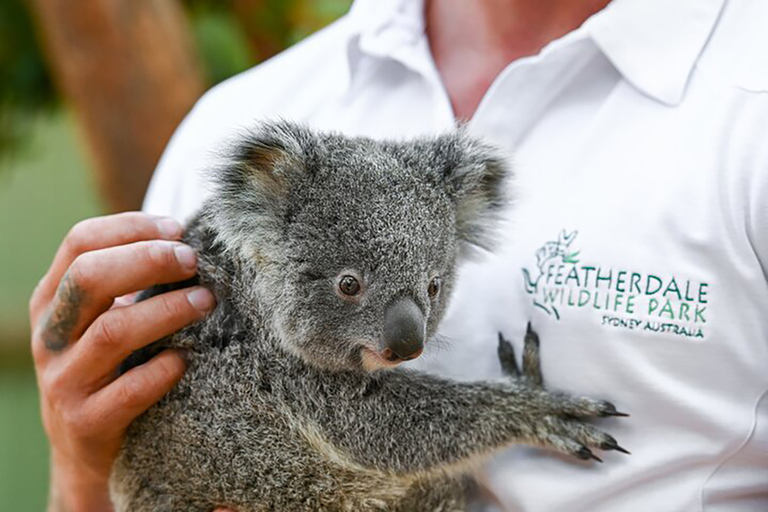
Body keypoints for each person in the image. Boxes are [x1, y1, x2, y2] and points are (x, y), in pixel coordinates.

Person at [31, 0, 768, 510]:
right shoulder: (235, 124)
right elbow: (368, 428)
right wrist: (78, 470)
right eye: (350, 285)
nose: (409, 340)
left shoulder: (746, 114)